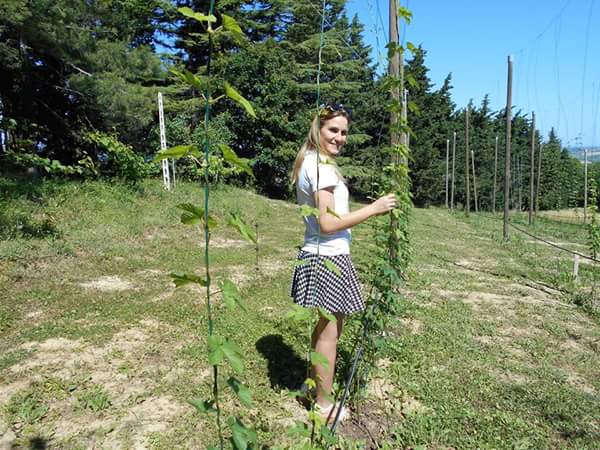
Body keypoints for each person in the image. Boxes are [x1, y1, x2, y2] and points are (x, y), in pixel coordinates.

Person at [290, 103, 397, 421]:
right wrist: (374, 209)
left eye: (343, 132)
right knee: (330, 334)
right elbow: (327, 223)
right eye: (333, 130)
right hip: (328, 259)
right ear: (317, 129)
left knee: (324, 330)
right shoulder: (321, 168)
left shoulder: (313, 161)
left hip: (320, 256)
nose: (339, 137)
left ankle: (313, 389)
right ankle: (323, 405)